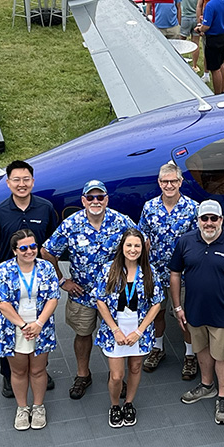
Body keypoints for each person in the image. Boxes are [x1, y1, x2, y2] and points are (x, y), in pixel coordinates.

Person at [43, 180, 135, 400]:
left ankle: (117, 376)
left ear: (106, 199)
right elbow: (47, 252)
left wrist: (129, 275)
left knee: (118, 333)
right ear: (83, 200)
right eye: (91, 197)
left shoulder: (120, 221)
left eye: (100, 197)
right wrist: (62, 281)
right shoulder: (71, 224)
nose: (96, 201)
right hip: (82, 293)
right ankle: (83, 375)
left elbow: (142, 243)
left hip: (116, 293)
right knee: (83, 334)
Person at [170, 200, 224, 426]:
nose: (208, 223)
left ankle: (222, 397)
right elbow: (175, 274)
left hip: (223, 316)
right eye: (204, 218)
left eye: (213, 218)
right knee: (202, 351)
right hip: (194, 313)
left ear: (221, 220)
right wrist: (178, 307)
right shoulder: (185, 242)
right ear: (198, 220)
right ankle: (207, 386)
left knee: (222, 356)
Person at [0, 160, 60, 395]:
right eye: (16, 180)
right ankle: (10, 375)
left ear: (33, 182)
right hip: (10, 283)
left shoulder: (45, 208)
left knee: (40, 323)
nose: (21, 184)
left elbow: (51, 245)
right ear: (8, 183)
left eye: (26, 179)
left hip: (39, 280)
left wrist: (55, 275)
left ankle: (40, 370)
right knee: (10, 328)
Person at [0, 229, 60, 431]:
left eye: (33, 247)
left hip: (41, 327)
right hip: (13, 328)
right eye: (24, 248)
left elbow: (53, 298)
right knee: (18, 371)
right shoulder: (3, 270)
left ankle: (38, 407)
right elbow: (1, 302)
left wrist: (38, 324)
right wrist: (23, 325)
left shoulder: (46, 268)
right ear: (14, 251)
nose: (29, 251)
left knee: (38, 370)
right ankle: (22, 408)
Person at [95, 228, 164, 428]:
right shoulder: (109, 269)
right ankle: (115, 405)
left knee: (135, 367)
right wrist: (115, 330)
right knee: (117, 375)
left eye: (137, 245)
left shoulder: (149, 271)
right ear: (122, 247)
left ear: (142, 248)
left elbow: (157, 303)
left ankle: (128, 403)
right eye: (129, 245)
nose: (132, 249)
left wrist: (139, 332)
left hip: (138, 330)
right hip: (115, 330)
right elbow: (100, 301)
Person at [138, 162, 199, 377]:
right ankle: (157, 348)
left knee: (185, 317)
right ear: (159, 182)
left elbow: (199, 242)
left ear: (181, 182)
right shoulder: (149, 207)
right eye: (165, 181)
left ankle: (190, 355)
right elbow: (142, 236)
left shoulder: (193, 208)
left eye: (173, 181)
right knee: (157, 313)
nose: (169, 185)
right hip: (155, 272)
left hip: (183, 275)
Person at [180, 0, 202, 72]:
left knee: (181, 41)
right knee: (195, 43)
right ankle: (194, 65)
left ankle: (179, 61)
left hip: (185, 18)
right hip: (195, 18)